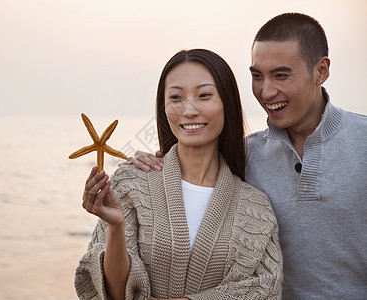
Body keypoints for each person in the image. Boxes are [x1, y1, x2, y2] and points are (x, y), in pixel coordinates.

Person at [126, 13, 367, 299]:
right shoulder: (244, 154)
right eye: (257, 76)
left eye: (281, 75)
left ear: (321, 71)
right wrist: (148, 164)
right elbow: (188, 172)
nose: (266, 91)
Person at [75, 49, 283, 300]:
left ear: (227, 103)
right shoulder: (131, 183)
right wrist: (116, 227)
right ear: (163, 107)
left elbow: (264, 289)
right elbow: (113, 294)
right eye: (176, 97)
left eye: (204, 95)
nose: (189, 110)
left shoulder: (257, 207)